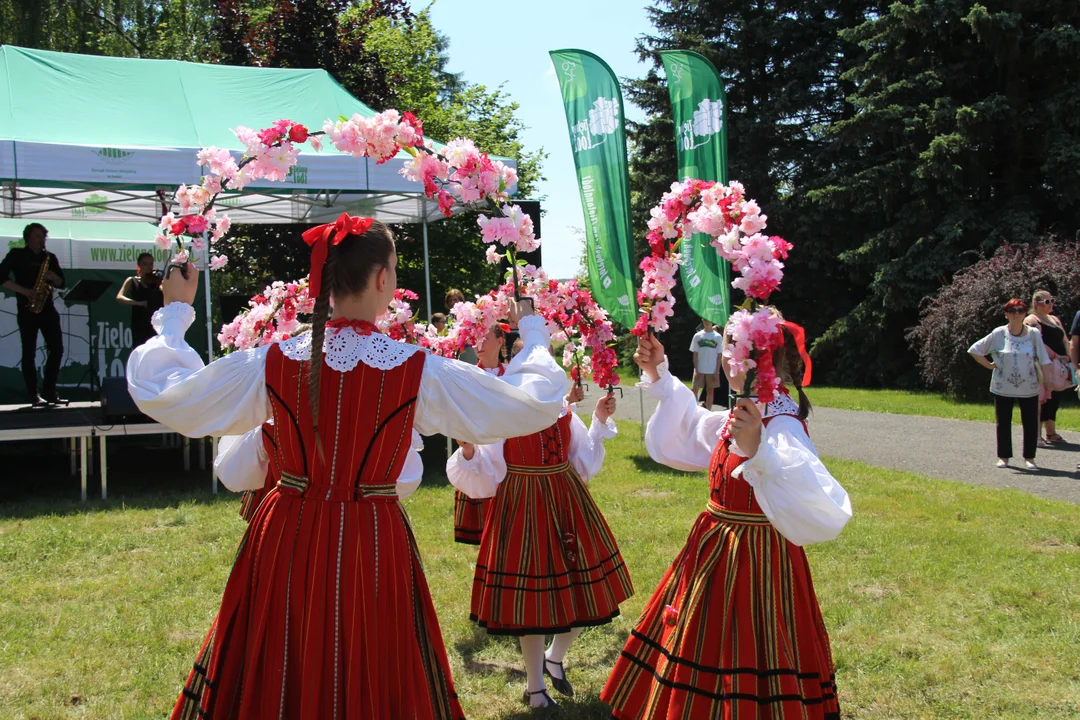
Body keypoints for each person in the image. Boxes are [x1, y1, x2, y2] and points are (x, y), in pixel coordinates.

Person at [126, 215, 568, 720]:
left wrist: (177, 310)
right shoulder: (417, 368)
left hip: (286, 535)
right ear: (382, 278)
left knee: (281, 659)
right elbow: (528, 405)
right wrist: (532, 333)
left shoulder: (271, 359)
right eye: (395, 270)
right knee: (372, 659)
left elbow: (171, 396)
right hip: (371, 536)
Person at [602, 320, 851, 720]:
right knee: (703, 637)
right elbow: (692, 431)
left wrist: (759, 452)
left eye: (735, 344)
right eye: (728, 344)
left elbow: (817, 501)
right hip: (713, 546)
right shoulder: (744, 410)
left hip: (758, 558)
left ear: (760, 358)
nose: (726, 353)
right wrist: (659, 371)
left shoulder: (781, 422)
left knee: (751, 643)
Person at [447, 364, 632, 710]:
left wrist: (599, 420)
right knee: (530, 603)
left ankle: (554, 656)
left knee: (591, 591)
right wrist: (469, 450)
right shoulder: (503, 413)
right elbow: (486, 467)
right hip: (521, 502)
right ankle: (535, 689)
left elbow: (582, 459)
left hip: (566, 500)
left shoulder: (560, 410)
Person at [968, 298, 1052, 469]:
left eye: (1020, 310)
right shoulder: (999, 333)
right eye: (1012, 311)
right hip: (1003, 386)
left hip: (1028, 386)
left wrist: (1048, 383)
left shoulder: (1033, 334)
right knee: (1003, 422)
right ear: (1006, 314)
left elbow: (1044, 359)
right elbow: (975, 350)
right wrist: (990, 365)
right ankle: (1004, 457)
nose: (1016, 314)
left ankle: (1029, 458)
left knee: (1030, 422)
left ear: (1024, 313)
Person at [451, 323, 509, 545]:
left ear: (500, 341)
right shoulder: (466, 377)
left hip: (513, 457)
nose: (478, 344)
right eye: (474, 339)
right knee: (489, 540)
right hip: (481, 458)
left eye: (484, 338)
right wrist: (467, 448)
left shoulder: (514, 375)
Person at [0, 222, 66, 405]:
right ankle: (32, 393)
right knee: (28, 352)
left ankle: (50, 390)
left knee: (57, 348)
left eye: (43, 236)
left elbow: (62, 283)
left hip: (47, 308)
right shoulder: (17, 255)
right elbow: (1, 277)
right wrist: (24, 291)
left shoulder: (49, 258)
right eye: (37, 235)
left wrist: (53, 277)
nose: (41, 239)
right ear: (28, 237)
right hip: (27, 308)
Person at [1025, 290, 1073, 445]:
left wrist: (1069, 357)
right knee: (1042, 398)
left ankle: (1051, 432)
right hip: (1042, 365)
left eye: (1052, 300)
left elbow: (1065, 340)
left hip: (1059, 366)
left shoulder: (1054, 319)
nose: (1051, 304)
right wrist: (1057, 356)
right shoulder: (1031, 320)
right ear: (1036, 304)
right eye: (1047, 302)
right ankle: (1036, 436)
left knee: (1055, 397)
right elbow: (1036, 343)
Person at [115, 252, 165, 348]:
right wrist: (138, 303)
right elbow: (120, 297)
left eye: (151, 264)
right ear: (139, 265)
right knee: (140, 347)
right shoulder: (132, 280)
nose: (149, 267)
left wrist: (161, 283)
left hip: (156, 321)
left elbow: (166, 294)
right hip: (140, 320)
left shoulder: (156, 281)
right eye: (145, 264)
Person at [689, 319, 722, 409]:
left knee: (710, 391)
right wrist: (696, 369)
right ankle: (695, 410)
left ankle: (708, 411)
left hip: (712, 369)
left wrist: (716, 372)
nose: (706, 321)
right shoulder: (697, 336)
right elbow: (695, 355)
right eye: (704, 319)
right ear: (702, 320)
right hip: (699, 369)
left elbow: (719, 356)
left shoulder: (718, 337)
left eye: (708, 319)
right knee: (694, 390)